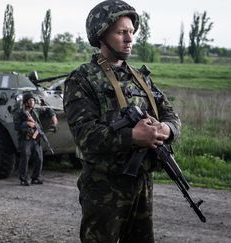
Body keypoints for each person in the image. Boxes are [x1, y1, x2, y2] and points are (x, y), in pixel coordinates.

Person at [63, 1, 181, 242]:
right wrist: (134, 136)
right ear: (101, 35)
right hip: (103, 186)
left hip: (142, 183)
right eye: (121, 32)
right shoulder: (82, 79)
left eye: (131, 32)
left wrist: (165, 129)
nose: (129, 39)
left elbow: (172, 116)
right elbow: (85, 136)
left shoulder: (140, 78)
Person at [13, 92, 58, 186]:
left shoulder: (35, 111)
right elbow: (16, 126)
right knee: (25, 158)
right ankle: (23, 179)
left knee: (39, 158)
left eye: (33, 100)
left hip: (36, 138)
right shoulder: (19, 112)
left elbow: (47, 109)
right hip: (25, 138)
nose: (33, 102)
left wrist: (53, 116)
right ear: (26, 102)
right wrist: (26, 124)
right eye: (30, 100)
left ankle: (35, 178)